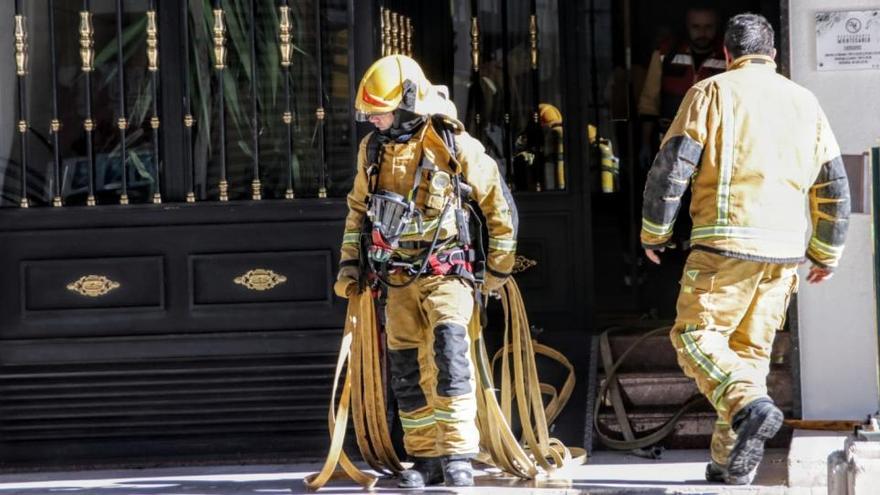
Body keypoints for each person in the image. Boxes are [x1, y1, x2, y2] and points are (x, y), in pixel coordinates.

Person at [641, 13, 850, 485]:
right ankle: (731, 464)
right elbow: (832, 184)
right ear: (773, 56)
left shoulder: (710, 93)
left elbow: (672, 168)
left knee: (695, 337)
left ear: (729, 55)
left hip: (725, 241)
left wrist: (655, 233)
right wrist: (825, 252)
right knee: (748, 353)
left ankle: (749, 406)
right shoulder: (805, 101)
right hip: (784, 254)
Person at [334, 54, 517, 488]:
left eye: (379, 113)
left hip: (446, 273)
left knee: (450, 357)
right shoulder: (373, 150)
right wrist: (349, 265)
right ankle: (426, 456)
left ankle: (457, 454)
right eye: (371, 114)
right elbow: (358, 212)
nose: (374, 121)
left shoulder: (453, 144)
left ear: (408, 102)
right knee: (406, 367)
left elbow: (497, 205)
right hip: (396, 278)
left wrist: (497, 270)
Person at [638, 3, 727, 251]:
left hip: (714, 145)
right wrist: (645, 144)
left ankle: (701, 246)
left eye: (708, 27)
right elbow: (649, 100)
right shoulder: (666, 52)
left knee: (706, 196)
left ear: (717, 27)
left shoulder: (728, 55)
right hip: (671, 141)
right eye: (696, 27)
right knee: (670, 191)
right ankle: (670, 246)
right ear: (686, 27)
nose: (702, 33)